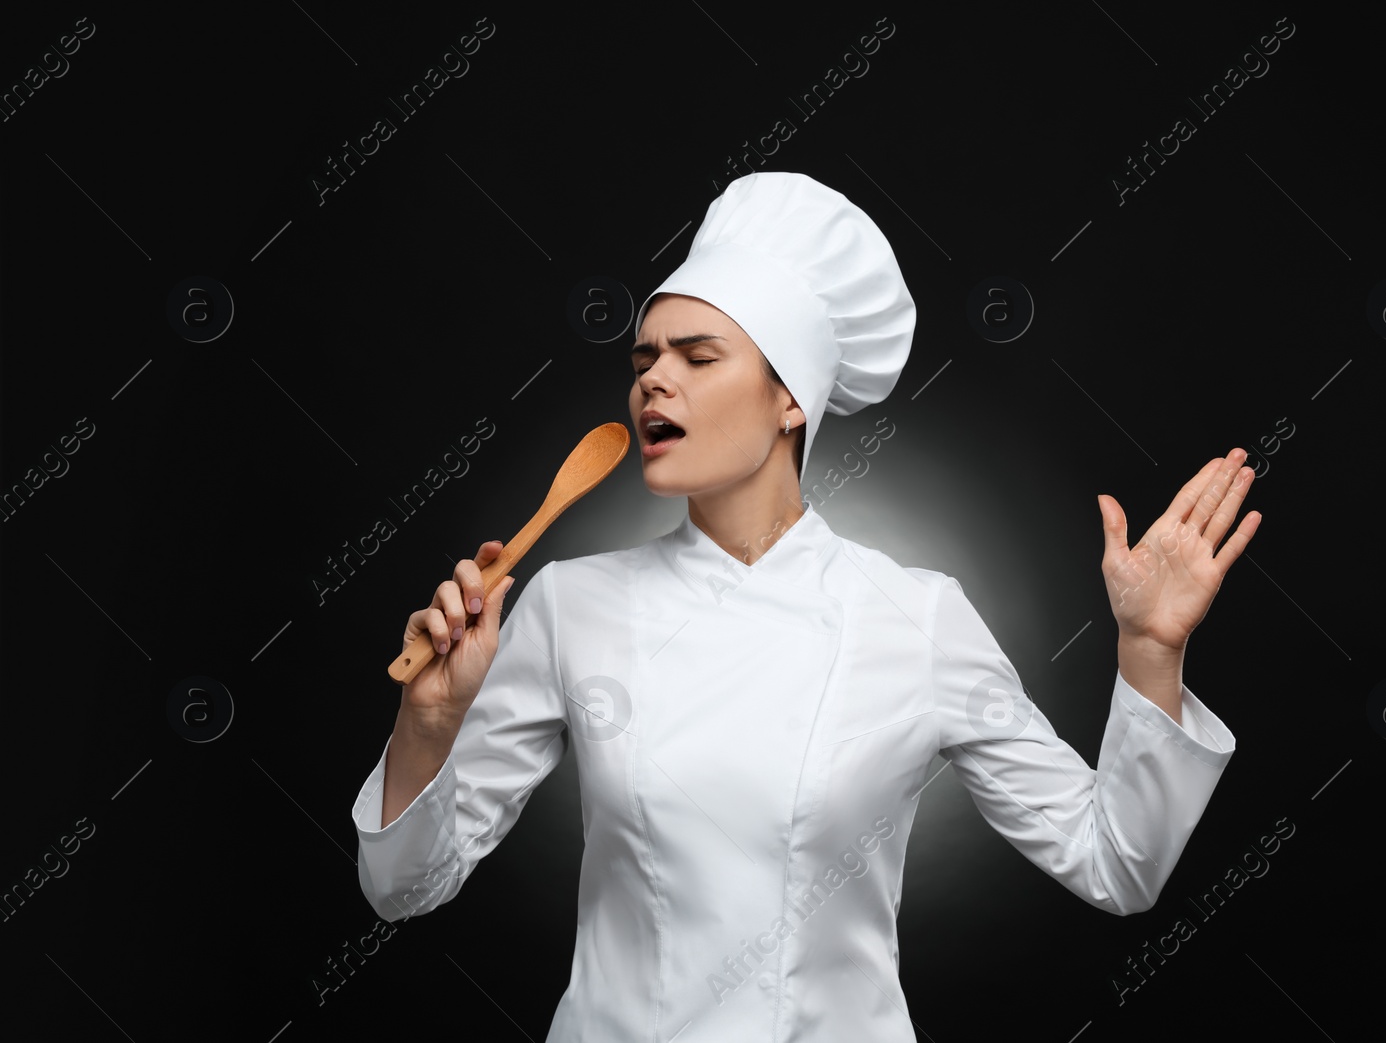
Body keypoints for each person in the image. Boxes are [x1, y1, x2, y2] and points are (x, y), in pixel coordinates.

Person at [351, 172, 1258, 1041]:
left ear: (790, 398)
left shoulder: (918, 616)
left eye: (698, 356)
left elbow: (1117, 864)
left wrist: (1148, 648)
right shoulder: (566, 604)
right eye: (644, 358)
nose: (652, 381)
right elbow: (403, 890)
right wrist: (427, 721)